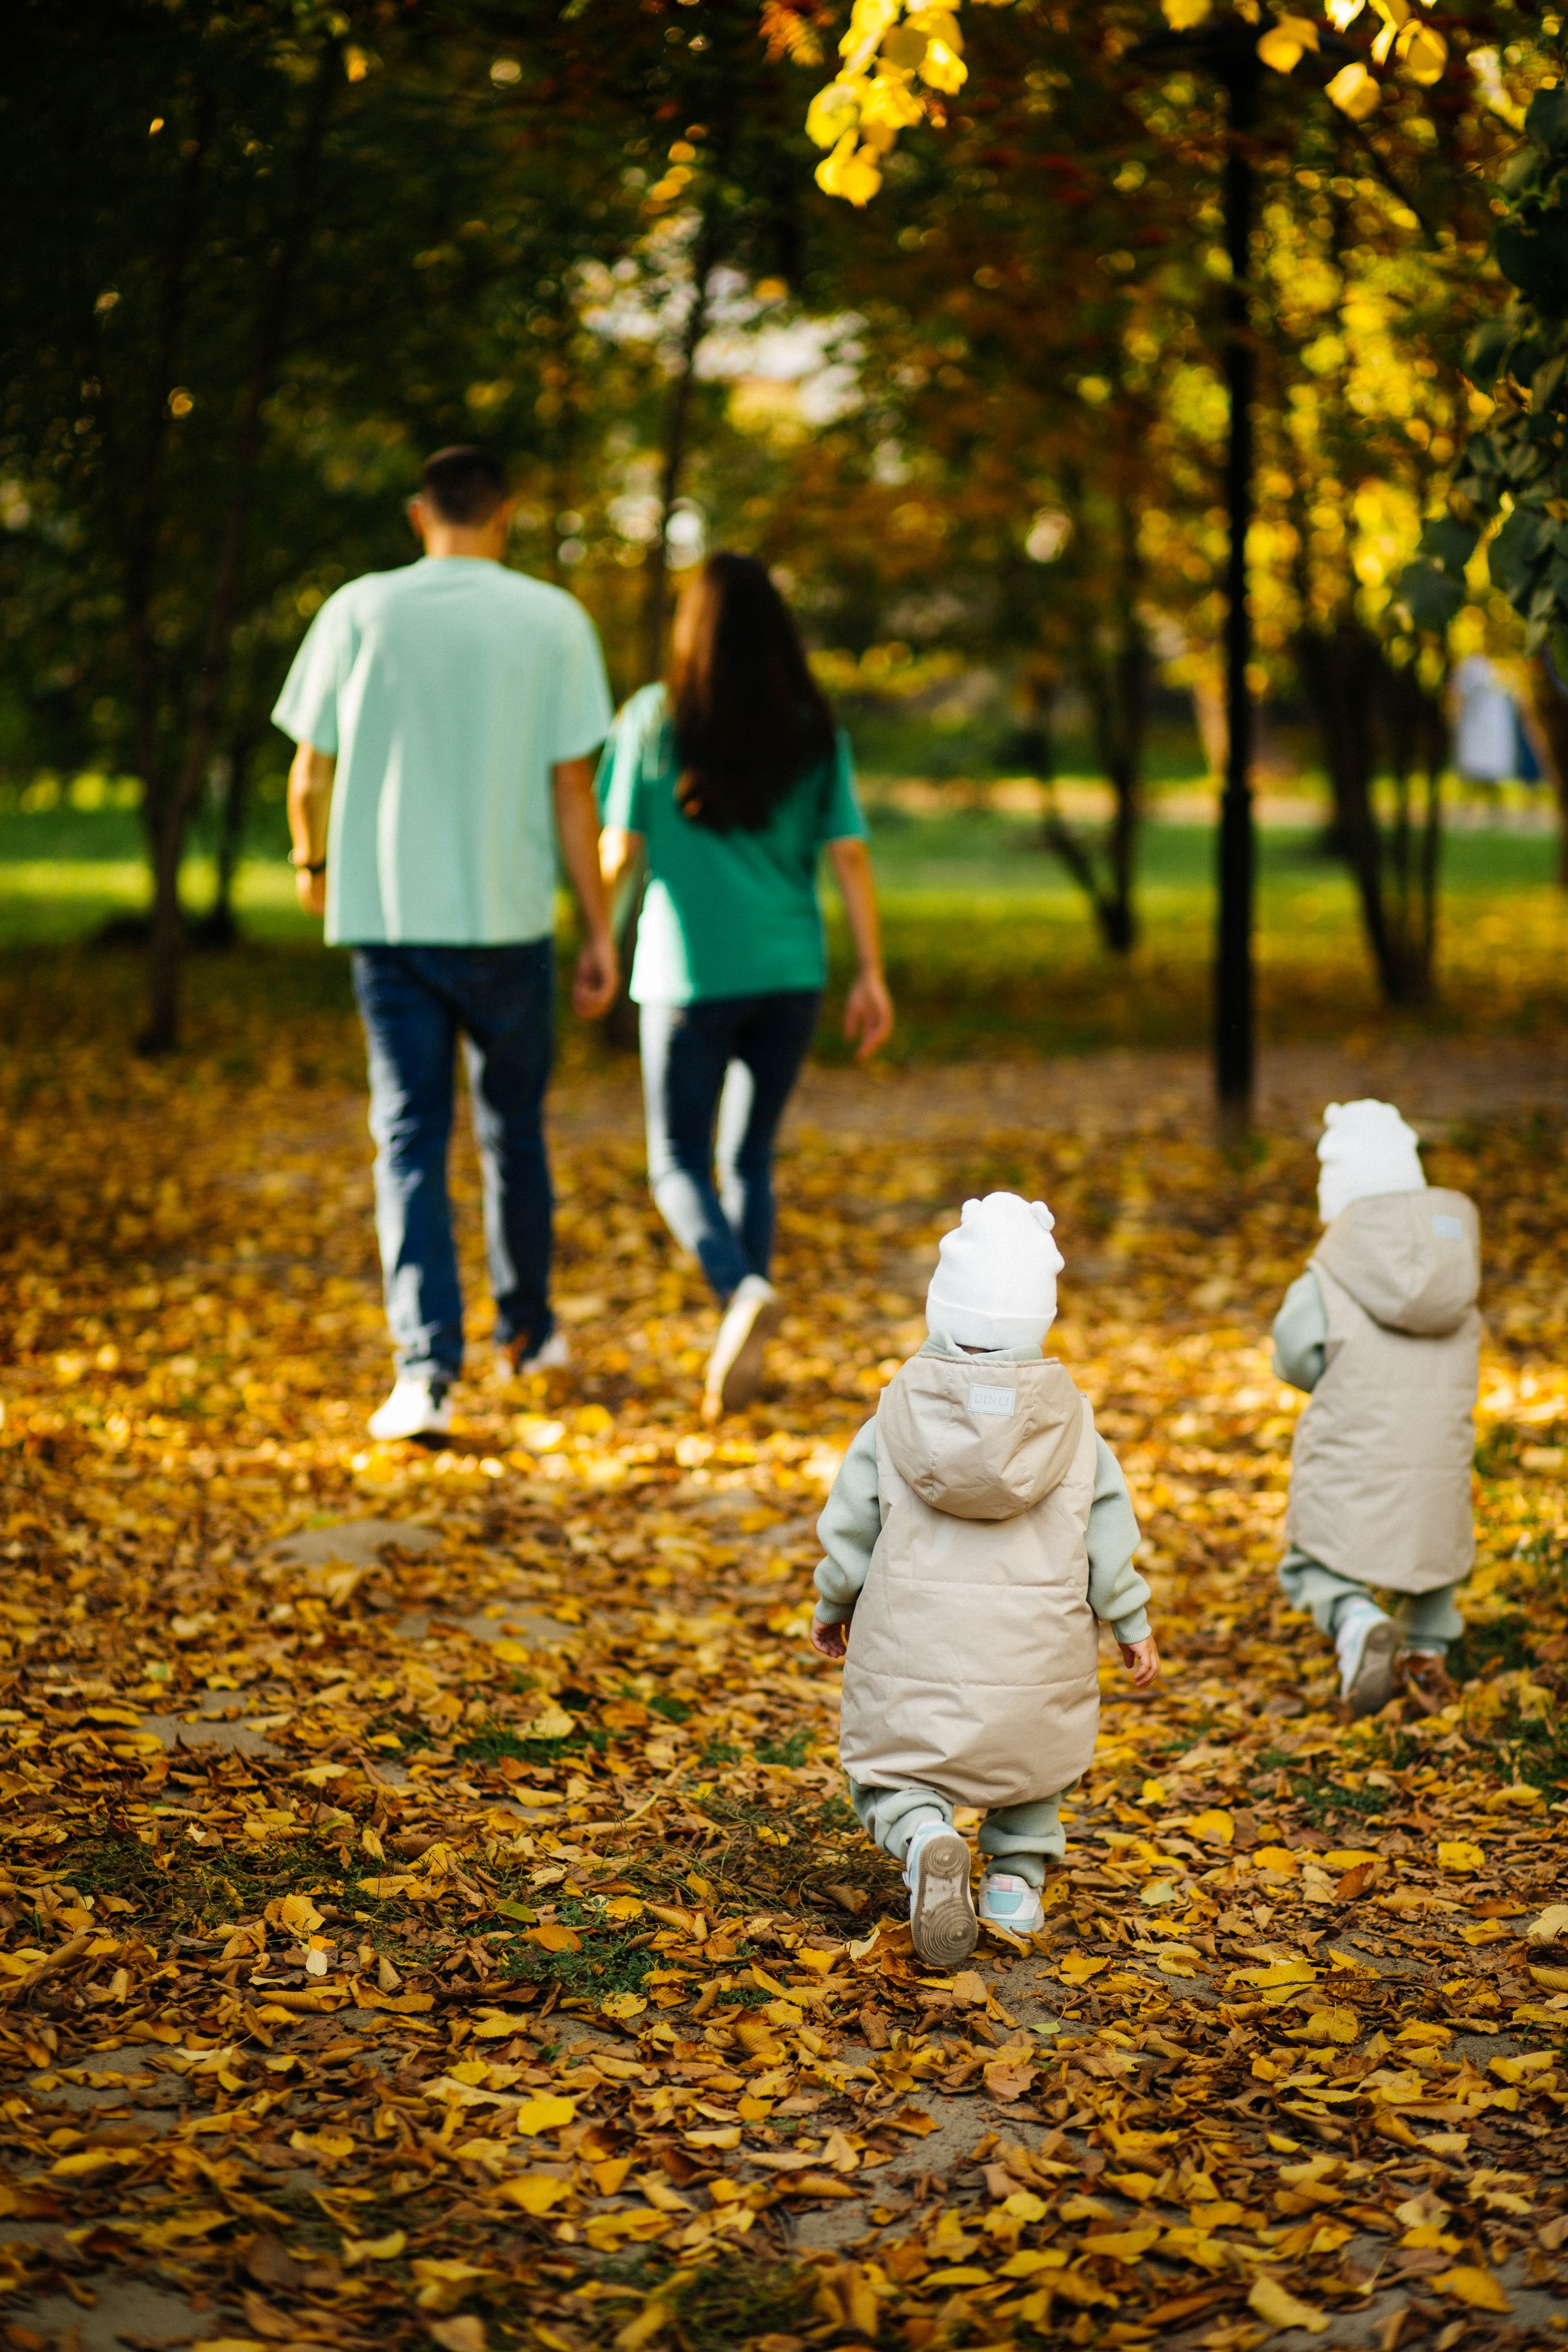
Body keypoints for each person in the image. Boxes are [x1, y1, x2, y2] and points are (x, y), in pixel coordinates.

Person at [273, 445, 618, 1443]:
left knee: (410, 1141)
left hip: (388, 924)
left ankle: (424, 1375)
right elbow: (571, 792)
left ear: (418, 513)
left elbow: (308, 774)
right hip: (508, 923)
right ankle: (530, 1335)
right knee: (515, 1133)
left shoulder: (357, 610)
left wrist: (314, 867)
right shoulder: (552, 619)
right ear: (503, 513)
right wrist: (596, 927)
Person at [808, 1192, 1159, 1966]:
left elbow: (850, 1530)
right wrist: (1130, 1622)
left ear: (941, 1309)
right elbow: (1109, 1539)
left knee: (890, 1769)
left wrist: (835, 1602)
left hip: (914, 1649)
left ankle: (925, 1834)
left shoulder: (892, 1419)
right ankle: (1015, 1883)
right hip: (1035, 1657)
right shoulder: (1076, 1431)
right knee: (1033, 1766)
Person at [597, 553, 893, 1419]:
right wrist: (870, 971)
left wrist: (597, 942)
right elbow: (849, 853)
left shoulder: (655, 719)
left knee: (677, 1160)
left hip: (686, 975)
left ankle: (739, 1294)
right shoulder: (810, 723)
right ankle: (748, 1330)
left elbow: (619, 851)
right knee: (748, 1157)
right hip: (789, 974)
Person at [1273, 1099, 1481, 1720]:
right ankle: (1424, 1648)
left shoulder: (1327, 1275)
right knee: (1435, 1548)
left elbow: (1293, 1354)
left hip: (1352, 1444)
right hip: (1439, 1453)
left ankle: (1354, 1615)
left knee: (1311, 1552)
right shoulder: (1455, 1274)